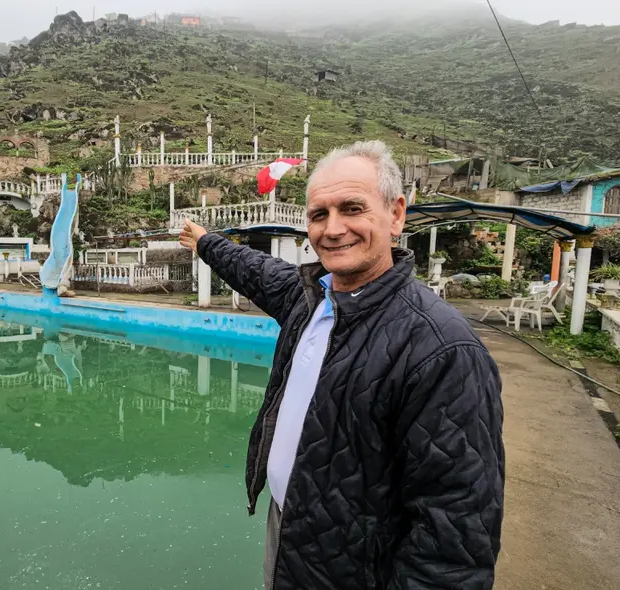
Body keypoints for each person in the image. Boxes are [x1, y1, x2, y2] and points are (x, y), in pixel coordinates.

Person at [179, 140, 504, 590]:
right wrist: (206, 243)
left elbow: (455, 532)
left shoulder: (442, 348)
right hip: (291, 529)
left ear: (396, 215)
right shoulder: (309, 297)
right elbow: (253, 268)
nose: (333, 229)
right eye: (318, 214)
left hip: (359, 565)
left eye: (352, 208)